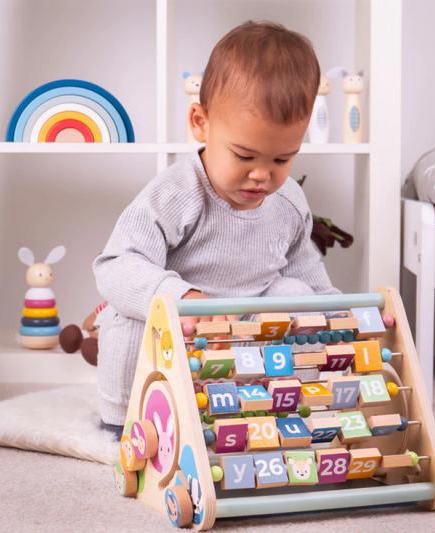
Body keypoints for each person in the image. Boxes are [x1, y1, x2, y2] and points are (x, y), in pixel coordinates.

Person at [93, 20, 340, 439]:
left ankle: (283, 406)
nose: (262, 175)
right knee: (131, 316)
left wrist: (342, 319)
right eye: (244, 155)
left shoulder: (289, 202)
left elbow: (310, 277)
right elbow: (115, 265)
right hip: (178, 337)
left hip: (247, 342)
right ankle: (120, 422)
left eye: (282, 160)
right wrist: (182, 298)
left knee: (297, 297)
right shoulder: (176, 192)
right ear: (200, 123)